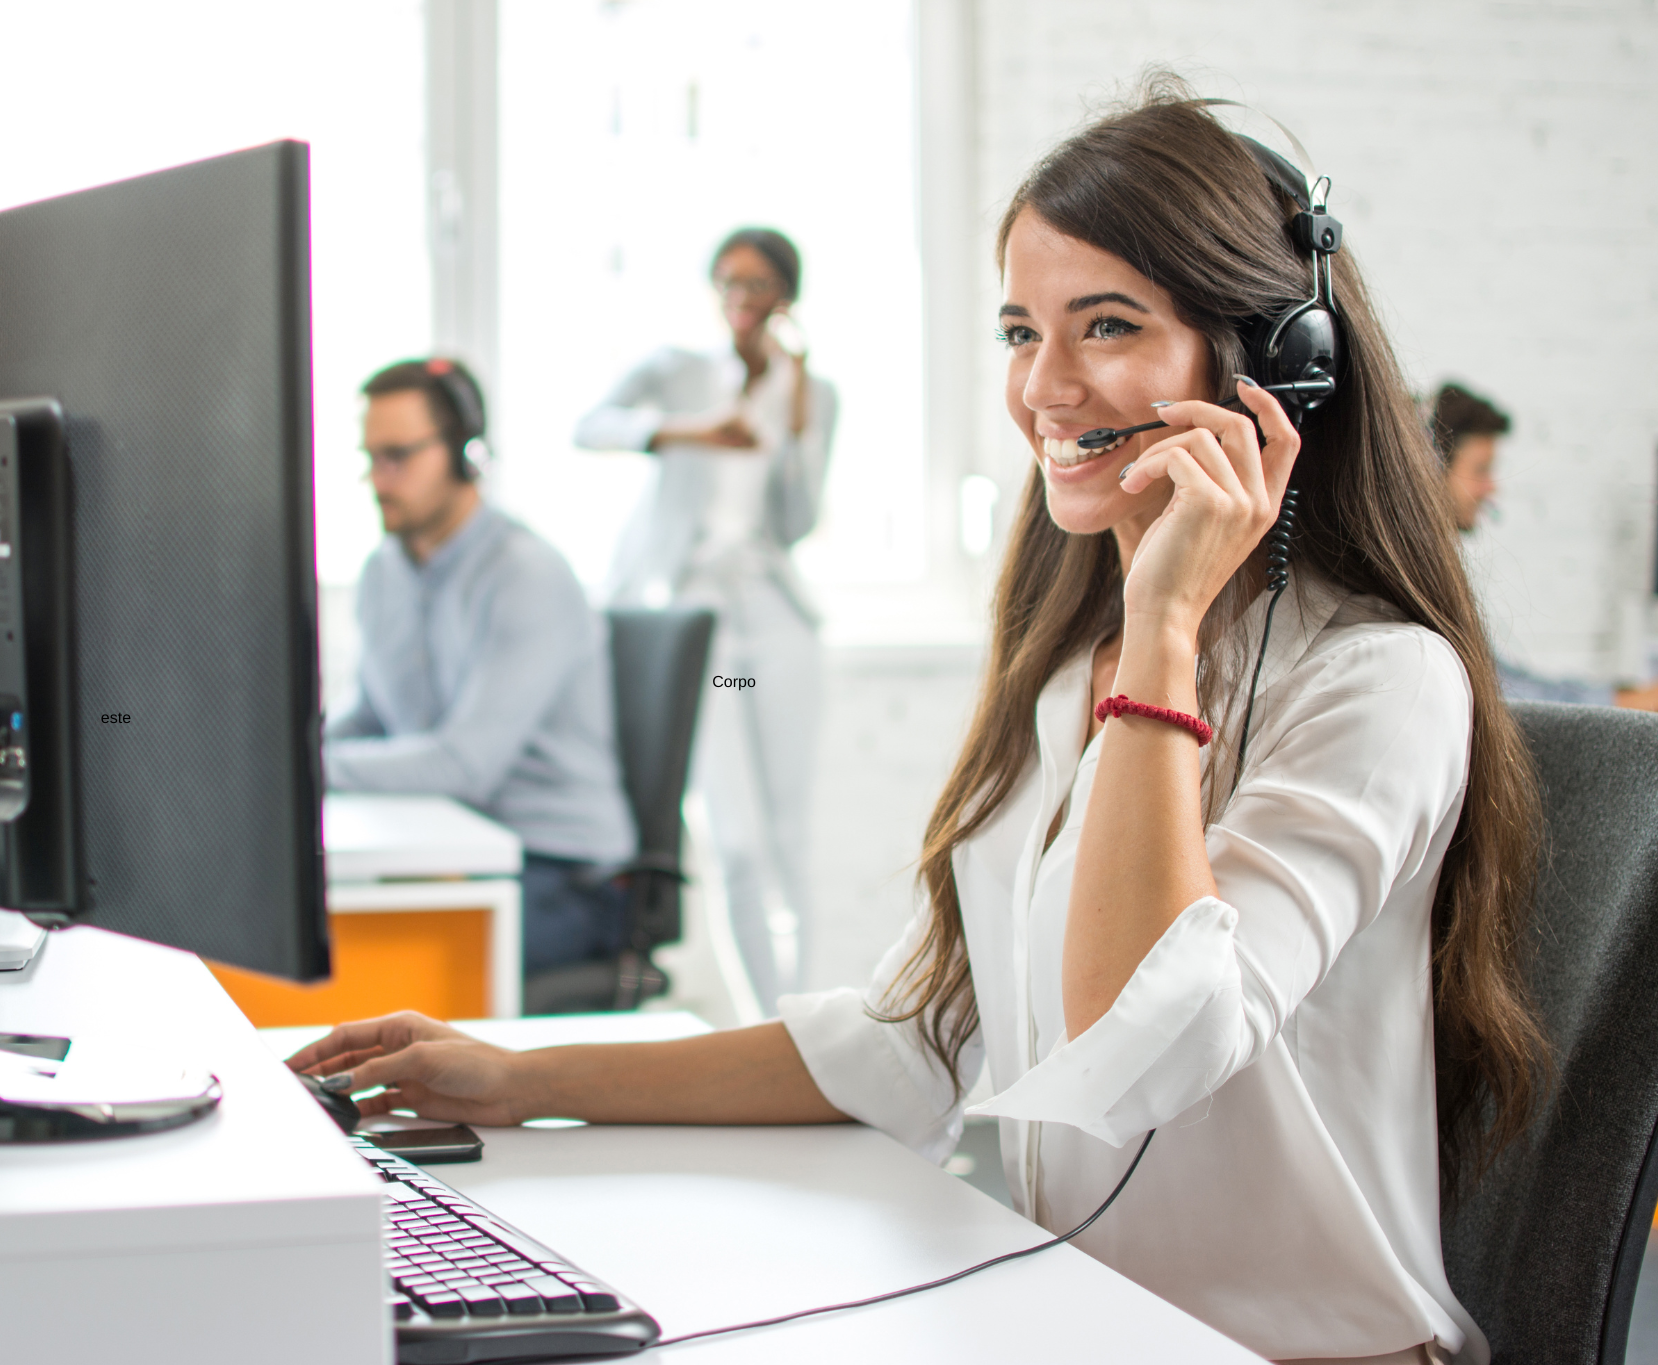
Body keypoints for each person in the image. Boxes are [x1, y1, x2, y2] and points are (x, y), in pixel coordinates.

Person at [294, 87, 1545, 1364]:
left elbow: (1146, 1052)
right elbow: (917, 1035)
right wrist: (517, 1081)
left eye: (1105, 325)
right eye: (1020, 330)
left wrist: (1166, 619)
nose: (1043, 389)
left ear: (1278, 364)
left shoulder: (1379, 685)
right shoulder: (1070, 675)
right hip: (1090, 1326)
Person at [573, 228, 838, 1010]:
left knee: (790, 835)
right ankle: (766, 1021)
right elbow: (589, 425)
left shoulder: (811, 392)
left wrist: (796, 423)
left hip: (774, 623)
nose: (740, 299)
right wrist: (689, 432)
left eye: (756, 284)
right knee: (738, 839)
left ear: (785, 297)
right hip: (703, 626)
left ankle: (806, 1014)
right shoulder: (678, 372)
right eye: (727, 282)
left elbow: (796, 521)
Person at [323, 358, 637, 979]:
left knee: (362, 964)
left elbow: (465, 766)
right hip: (455, 849)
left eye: (398, 456)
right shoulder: (384, 571)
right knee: (321, 930)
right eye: (370, 458)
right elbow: (375, 716)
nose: (379, 480)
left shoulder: (524, 574)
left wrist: (306, 772)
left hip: (563, 875)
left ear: (467, 455)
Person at [1433, 380, 1658, 712]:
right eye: (1481, 470)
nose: (1491, 488)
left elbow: (1507, 681)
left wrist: (1622, 696)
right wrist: (1639, 701)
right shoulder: (1424, 579)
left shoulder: (1439, 569)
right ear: (1430, 469)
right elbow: (1507, 699)